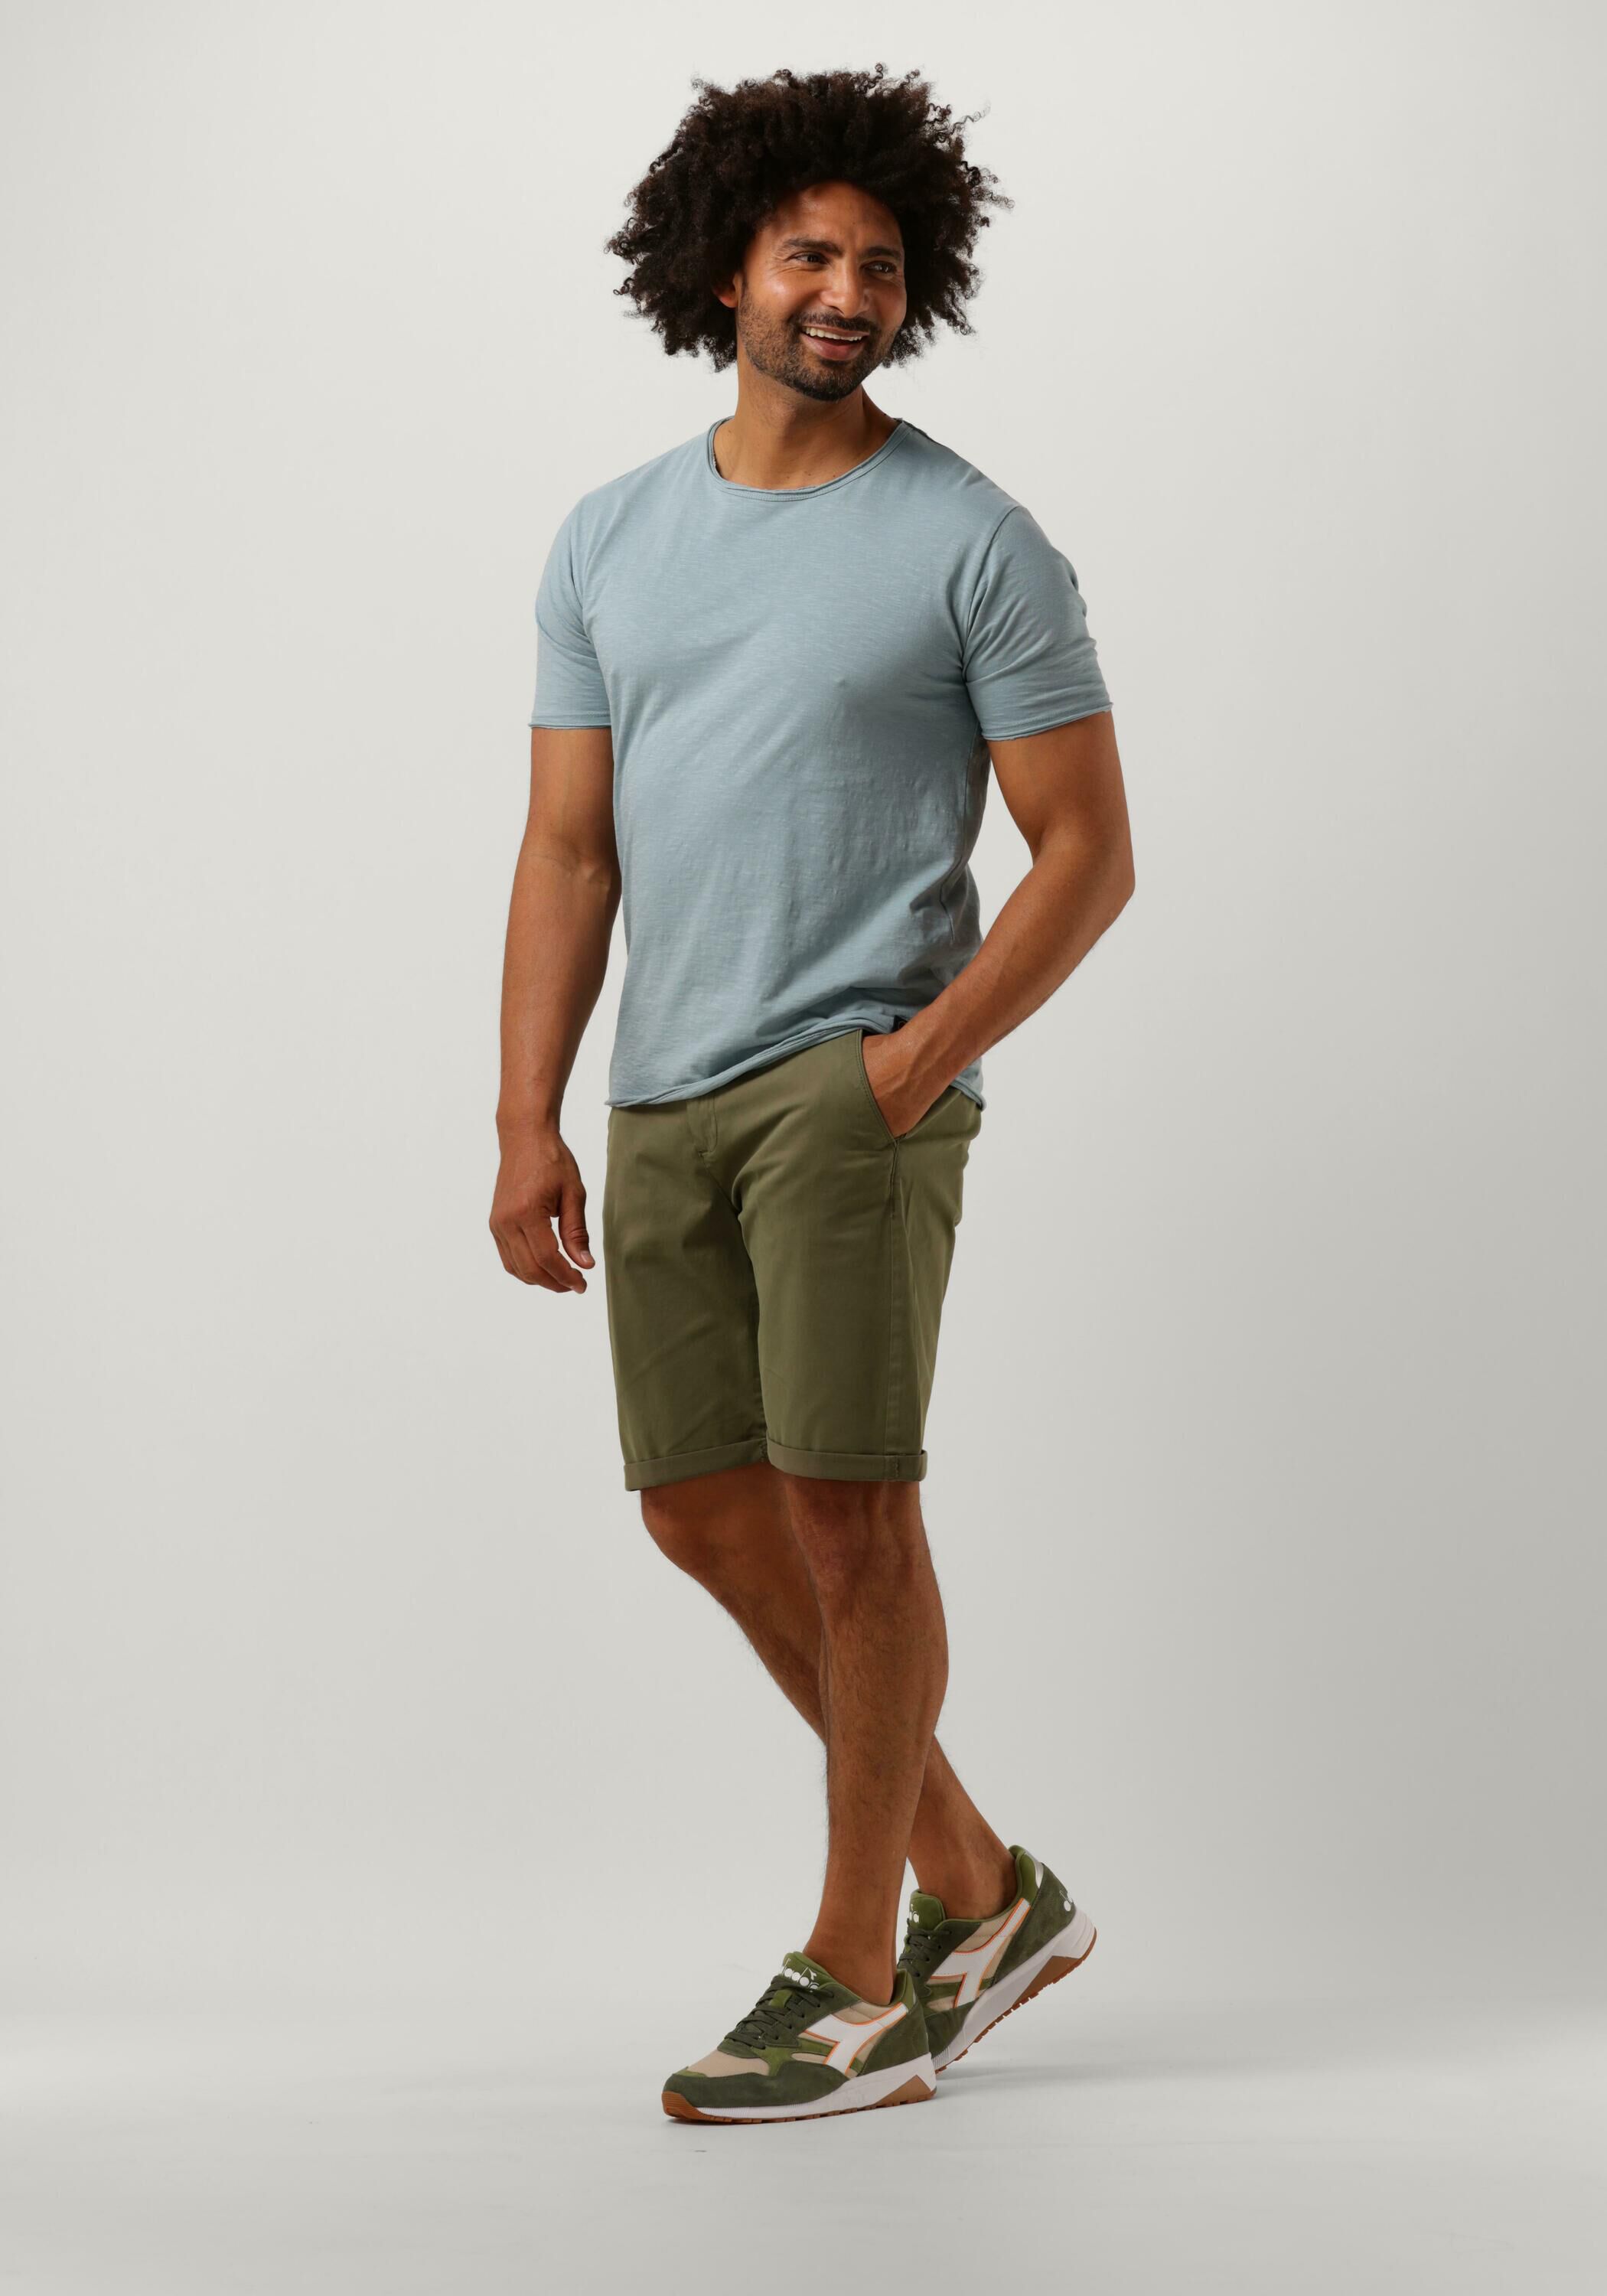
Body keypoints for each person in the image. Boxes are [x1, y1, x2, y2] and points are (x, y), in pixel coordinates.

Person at [491, 64, 1134, 2126]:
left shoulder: (971, 540)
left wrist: (910, 1065)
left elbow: (1088, 853)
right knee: (699, 1505)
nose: (847, 291)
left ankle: (861, 1972)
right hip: (659, 1094)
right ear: (723, 271)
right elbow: (569, 849)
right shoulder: (608, 538)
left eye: (880, 262)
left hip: (853, 1086)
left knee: (856, 1520)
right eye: (807, 255)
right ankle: (986, 1891)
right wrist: (525, 1115)